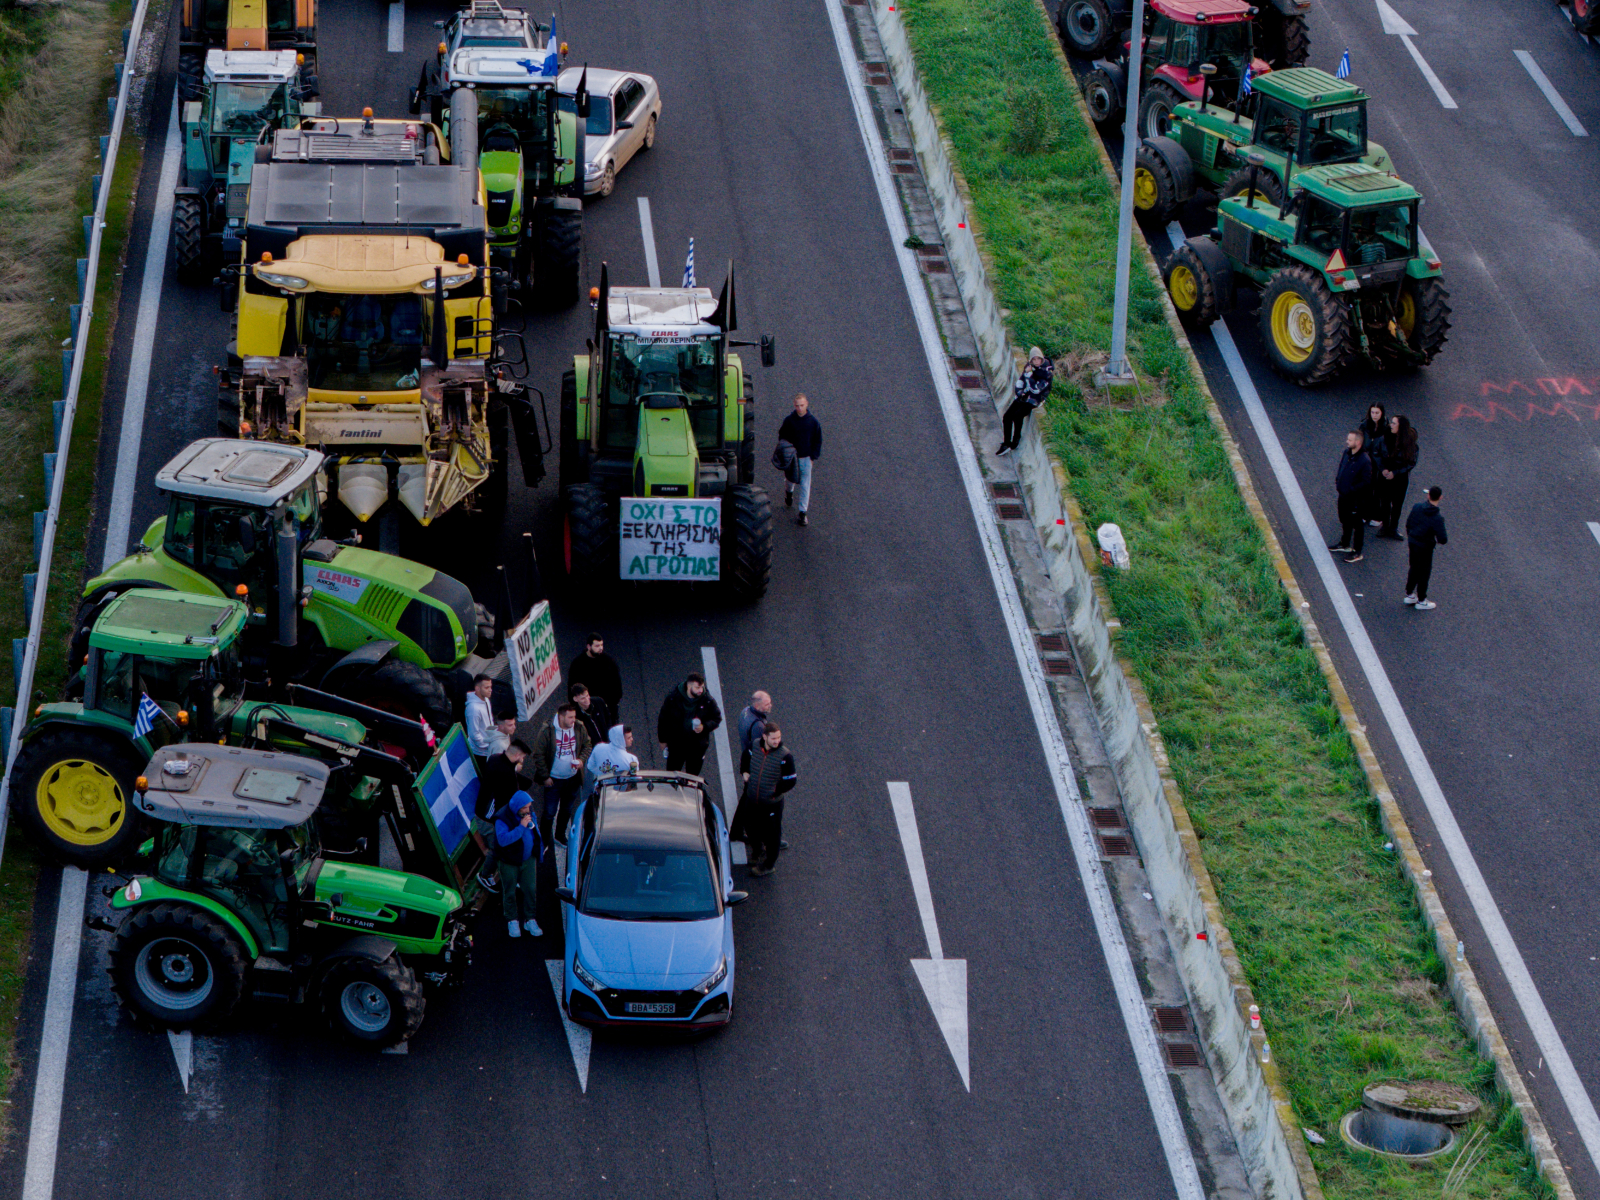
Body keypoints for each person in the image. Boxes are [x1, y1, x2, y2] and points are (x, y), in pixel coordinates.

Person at [739, 723, 797, 877]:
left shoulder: (785, 756)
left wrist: (774, 792)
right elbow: (745, 757)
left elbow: (790, 780)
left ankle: (769, 864)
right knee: (750, 827)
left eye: (778, 737)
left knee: (772, 835)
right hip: (752, 799)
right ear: (764, 737)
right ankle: (757, 851)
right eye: (773, 738)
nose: (777, 741)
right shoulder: (754, 746)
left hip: (772, 804)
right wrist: (744, 771)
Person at [475, 736, 532, 892]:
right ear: (518, 755)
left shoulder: (494, 759)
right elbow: (514, 802)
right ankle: (485, 875)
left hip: (481, 811)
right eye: (523, 757)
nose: (522, 760)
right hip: (490, 818)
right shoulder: (508, 774)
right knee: (498, 846)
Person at [530, 704, 591, 847]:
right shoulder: (548, 731)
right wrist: (545, 777)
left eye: (574, 716)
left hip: (573, 779)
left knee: (566, 809)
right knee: (549, 813)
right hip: (554, 780)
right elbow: (538, 755)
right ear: (561, 716)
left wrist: (581, 760)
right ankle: (544, 840)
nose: (573, 720)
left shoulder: (578, 727)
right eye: (570, 717)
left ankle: (559, 836)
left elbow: (587, 745)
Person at [493, 790, 542, 938]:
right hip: (509, 861)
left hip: (528, 859)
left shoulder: (528, 813)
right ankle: (512, 919)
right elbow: (503, 840)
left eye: (528, 807)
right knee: (510, 890)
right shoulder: (502, 818)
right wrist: (521, 827)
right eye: (524, 808)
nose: (528, 810)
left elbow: (535, 831)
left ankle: (530, 919)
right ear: (516, 807)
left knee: (530, 889)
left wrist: (538, 850)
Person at [657, 671, 722, 775]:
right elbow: (663, 719)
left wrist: (704, 726)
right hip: (677, 744)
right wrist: (662, 740)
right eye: (697, 688)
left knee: (692, 777)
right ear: (689, 686)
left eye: (702, 687)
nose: (701, 690)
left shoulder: (707, 700)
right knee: (672, 774)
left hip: (696, 747)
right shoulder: (673, 698)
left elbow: (717, 718)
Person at [998, 347, 1053, 456]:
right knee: (1007, 416)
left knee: (1017, 416)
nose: (1036, 362)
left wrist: (1029, 375)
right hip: (1025, 395)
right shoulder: (1029, 367)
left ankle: (1015, 440)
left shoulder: (1047, 373)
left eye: (1038, 359)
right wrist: (1019, 392)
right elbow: (1020, 381)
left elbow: (1036, 389)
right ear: (1031, 360)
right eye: (1034, 359)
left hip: (1035, 399)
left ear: (1042, 359)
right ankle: (1006, 442)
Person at [776, 393, 822, 526]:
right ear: (794, 405)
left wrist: (813, 457)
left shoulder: (813, 422)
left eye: (802, 405)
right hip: (792, 458)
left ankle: (802, 513)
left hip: (806, 458)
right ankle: (789, 492)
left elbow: (817, 440)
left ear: (807, 404)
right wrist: (786, 451)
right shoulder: (789, 420)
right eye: (797, 406)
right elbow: (782, 436)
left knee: (805, 484)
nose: (800, 408)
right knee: (790, 479)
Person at [1330, 429, 1373, 564]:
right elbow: (1341, 467)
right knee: (1344, 518)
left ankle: (1357, 551)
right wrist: (1338, 480)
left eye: (1350, 440)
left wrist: (1351, 489)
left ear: (1358, 442)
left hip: (1355, 499)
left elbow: (1366, 481)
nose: (1347, 442)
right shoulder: (1347, 453)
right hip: (1344, 495)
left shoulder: (1365, 461)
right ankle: (1345, 543)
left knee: (1357, 524)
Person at [1404, 486, 1448, 611]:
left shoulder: (1417, 507)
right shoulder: (1437, 518)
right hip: (1425, 547)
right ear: (1440, 497)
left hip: (1413, 542)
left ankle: (1409, 593)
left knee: (1413, 567)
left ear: (1428, 496)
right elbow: (1443, 539)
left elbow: (1408, 524)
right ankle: (1422, 599)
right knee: (1424, 572)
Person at [1377, 415, 1417, 540]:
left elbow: (1411, 462)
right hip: (1384, 476)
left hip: (1400, 479)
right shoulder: (1385, 438)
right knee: (1384, 502)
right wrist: (1382, 469)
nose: (1391, 425)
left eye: (1394, 423)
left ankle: (1393, 528)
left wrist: (1395, 472)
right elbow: (1376, 453)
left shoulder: (1410, 443)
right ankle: (1385, 527)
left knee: (1397, 505)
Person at [568, 633, 623, 718]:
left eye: (601, 645)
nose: (601, 648)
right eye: (597, 646)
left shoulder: (608, 662)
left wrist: (613, 703)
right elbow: (572, 687)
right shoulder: (578, 664)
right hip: (587, 708)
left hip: (607, 708)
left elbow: (617, 684)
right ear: (589, 647)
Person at [585, 724, 640, 796]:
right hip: (621, 793)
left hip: (602, 791)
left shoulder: (598, 748)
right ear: (620, 739)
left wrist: (602, 774)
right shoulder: (631, 759)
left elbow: (590, 766)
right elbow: (634, 779)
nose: (632, 739)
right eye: (629, 738)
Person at [1358, 403, 1389, 526]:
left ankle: (1376, 515)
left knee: (1378, 490)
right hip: (1366, 462)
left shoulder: (1386, 428)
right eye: (1372, 412)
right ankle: (1364, 513)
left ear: (1382, 413)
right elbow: (1359, 442)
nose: (1374, 415)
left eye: (1377, 413)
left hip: (1379, 463)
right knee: (1365, 488)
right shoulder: (1364, 425)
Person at [464, 674, 503, 758]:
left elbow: (489, 723)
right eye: (486, 688)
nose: (490, 690)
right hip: (481, 753)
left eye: (490, 687)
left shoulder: (486, 699)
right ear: (477, 688)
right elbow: (474, 735)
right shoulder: (473, 709)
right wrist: (489, 745)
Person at [569, 682, 613, 749]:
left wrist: (610, 735)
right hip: (593, 749)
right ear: (575, 699)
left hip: (609, 743)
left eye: (587, 696)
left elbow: (608, 718)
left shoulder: (599, 702)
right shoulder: (575, 716)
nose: (587, 700)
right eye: (583, 698)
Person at [737, 690, 773, 756]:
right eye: (766, 704)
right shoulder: (758, 726)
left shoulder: (745, 710)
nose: (770, 706)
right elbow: (760, 749)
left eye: (770, 703)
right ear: (757, 706)